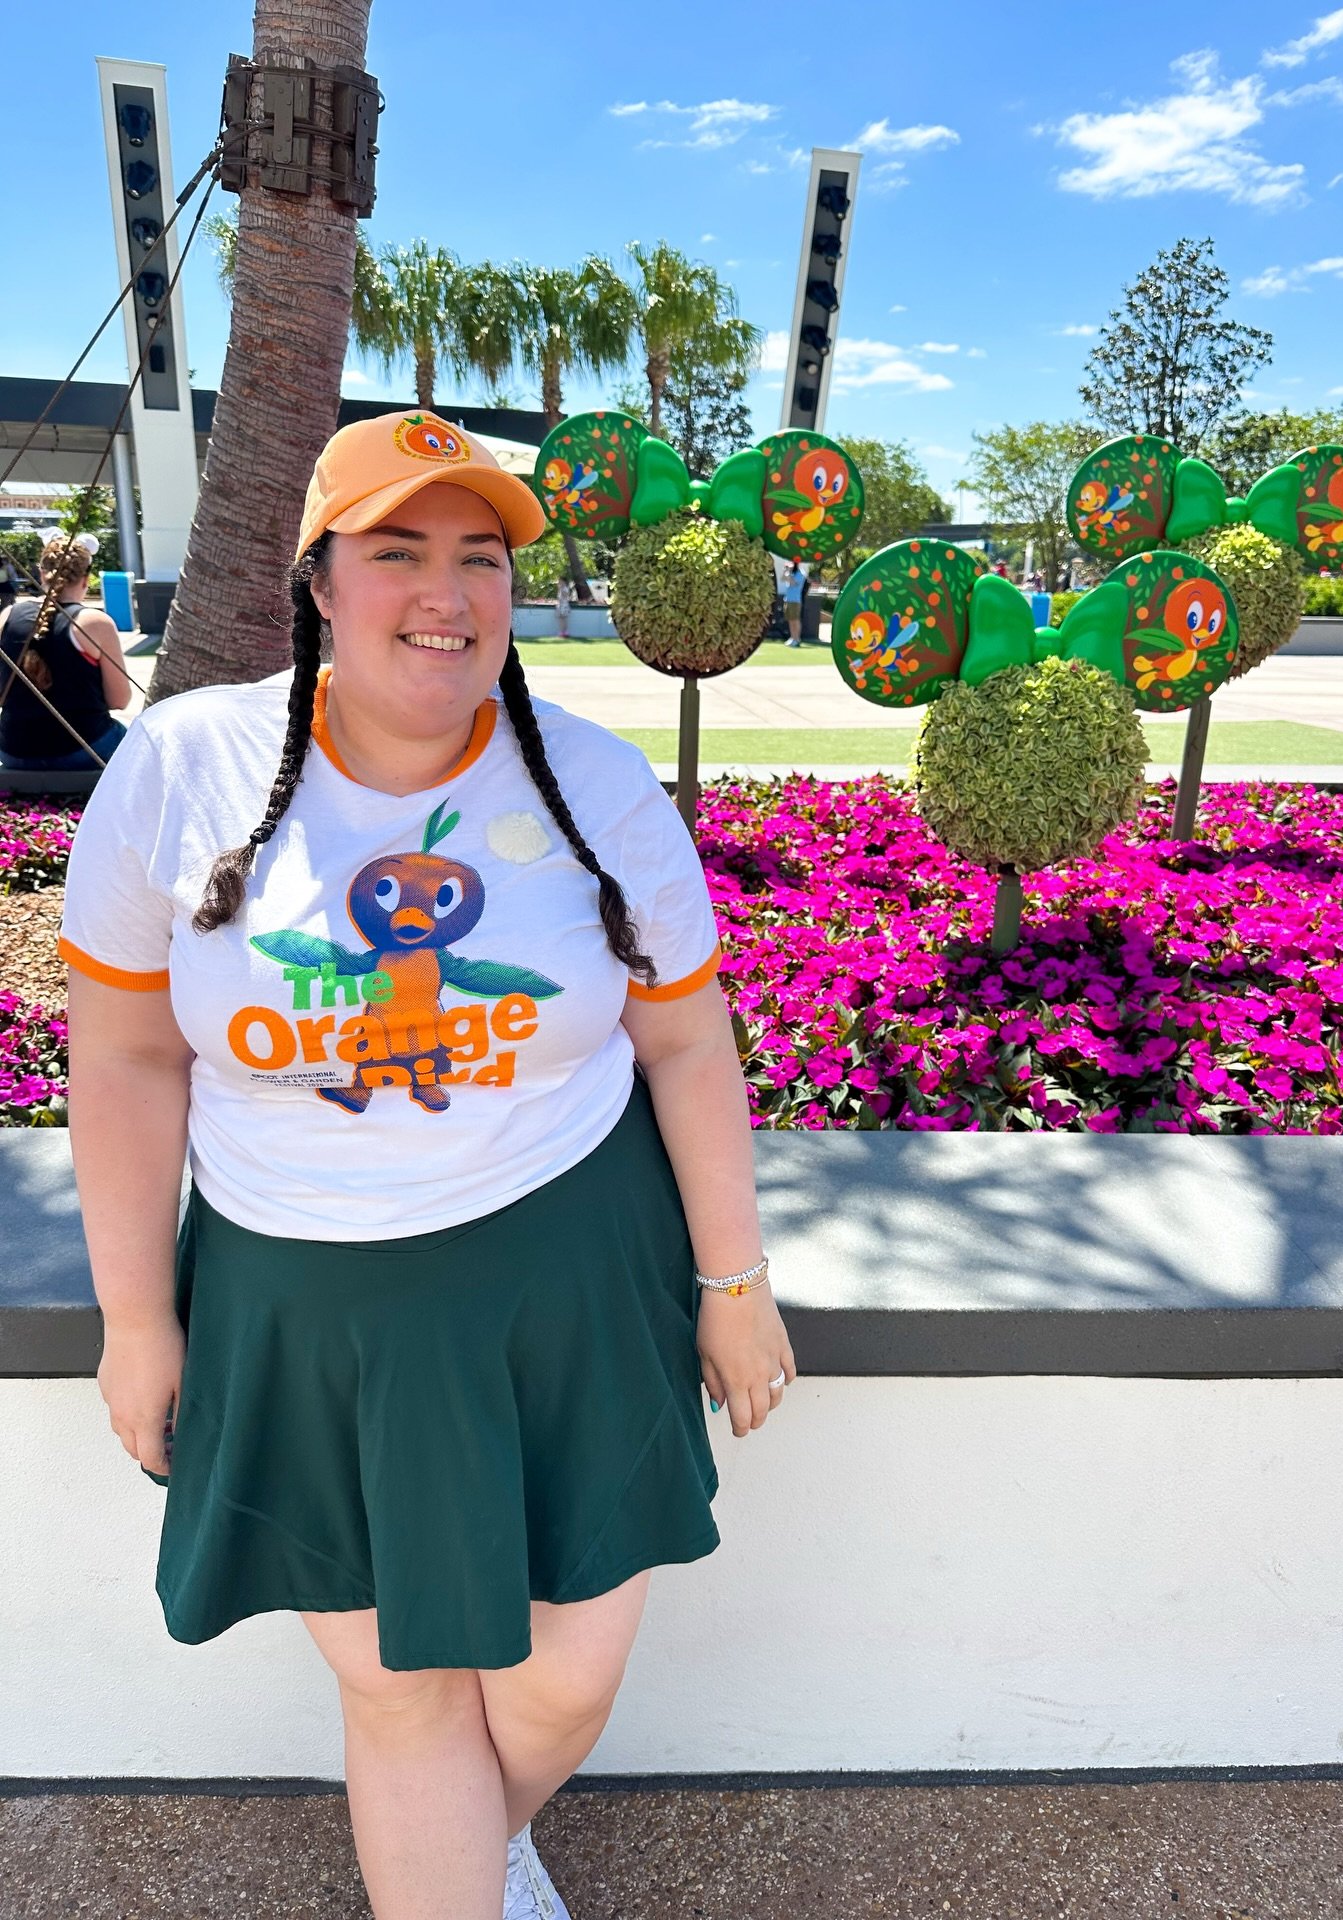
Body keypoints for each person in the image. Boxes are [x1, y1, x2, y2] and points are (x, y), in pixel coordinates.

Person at [60, 409, 796, 1920]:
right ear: (319, 579)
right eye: (397, 552)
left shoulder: (593, 783)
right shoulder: (184, 766)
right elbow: (129, 1060)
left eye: (480, 556)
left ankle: (474, 1839)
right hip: (301, 1298)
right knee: (401, 1695)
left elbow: (684, 1045)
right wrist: (138, 1320)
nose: (445, 593)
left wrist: (734, 1282)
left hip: (568, 1273)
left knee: (562, 1686)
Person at [0, 533, 131, 771]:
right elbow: (120, 700)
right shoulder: (94, 622)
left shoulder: (7, 616)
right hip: (82, 749)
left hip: (14, 750)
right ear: (85, 579)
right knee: (135, 738)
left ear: (42, 573)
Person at [782, 558, 807, 646]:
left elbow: (793, 583)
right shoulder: (791, 573)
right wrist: (785, 570)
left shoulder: (801, 574)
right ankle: (792, 637)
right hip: (788, 599)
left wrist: (788, 572)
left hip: (795, 600)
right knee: (790, 619)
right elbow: (782, 578)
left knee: (795, 620)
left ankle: (797, 638)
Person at [554, 574, 572, 639]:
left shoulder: (565, 588)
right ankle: (562, 632)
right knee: (561, 619)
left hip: (564, 605)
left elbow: (565, 596)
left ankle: (565, 632)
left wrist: (561, 589)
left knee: (564, 619)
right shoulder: (561, 588)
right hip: (561, 605)